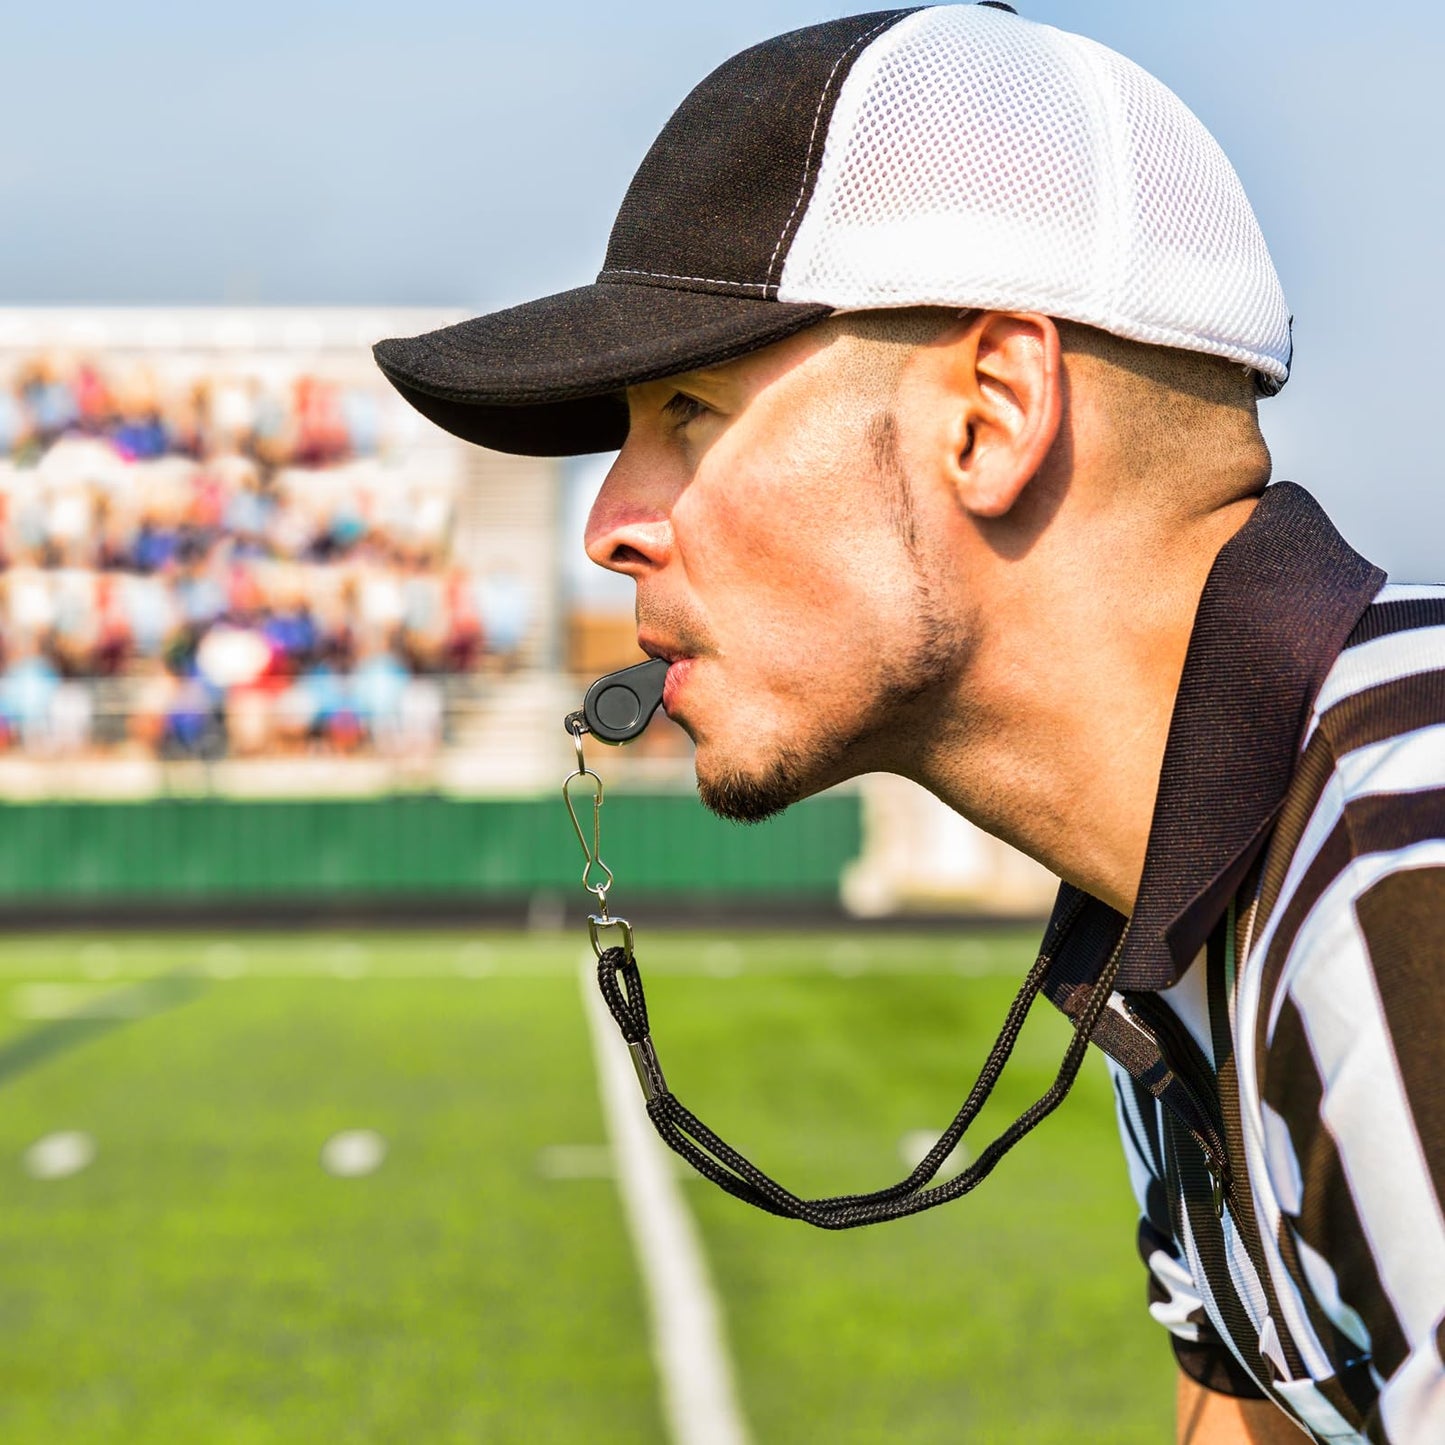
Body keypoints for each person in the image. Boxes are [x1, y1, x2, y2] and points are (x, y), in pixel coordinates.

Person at [373, 6, 1444, 1440]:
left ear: (991, 412)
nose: (616, 526)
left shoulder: (1403, 868)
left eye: (688, 406)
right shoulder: (1186, 893)